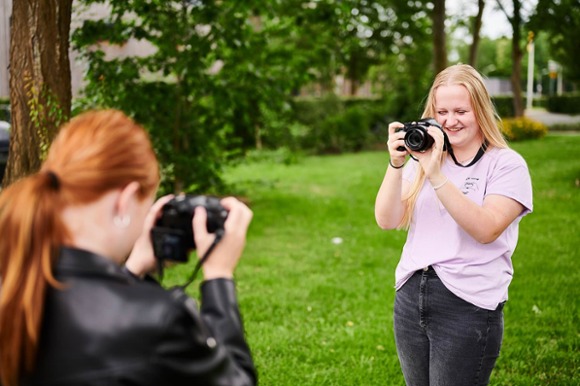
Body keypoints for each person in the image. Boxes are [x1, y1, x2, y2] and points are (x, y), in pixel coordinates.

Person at [0, 110, 257, 386]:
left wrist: (130, 272)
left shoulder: (15, 283)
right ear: (126, 200)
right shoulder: (158, 321)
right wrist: (219, 276)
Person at [374, 64, 533, 386]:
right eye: (441, 111)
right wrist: (396, 164)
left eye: (461, 110)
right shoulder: (425, 158)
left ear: (481, 111)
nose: (449, 121)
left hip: (469, 303)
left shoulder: (506, 164)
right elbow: (386, 220)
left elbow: (486, 228)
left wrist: (435, 174)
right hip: (411, 296)